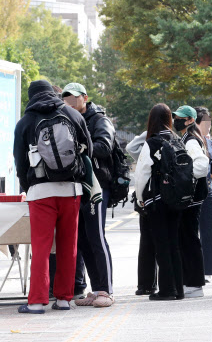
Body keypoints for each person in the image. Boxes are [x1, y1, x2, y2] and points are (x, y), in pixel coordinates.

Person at [14, 80, 92, 314]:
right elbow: (87, 147)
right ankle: (64, 299)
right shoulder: (71, 114)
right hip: (71, 191)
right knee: (69, 246)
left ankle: (37, 301)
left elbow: (20, 162)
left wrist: (29, 188)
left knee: (41, 247)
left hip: (40, 193)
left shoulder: (25, 122)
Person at [61, 83, 115, 308]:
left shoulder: (99, 119)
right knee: (82, 239)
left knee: (96, 236)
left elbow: (105, 146)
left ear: (85, 97)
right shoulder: (68, 119)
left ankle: (107, 290)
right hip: (77, 187)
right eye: (66, 99)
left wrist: (82, 145)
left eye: (74, 98)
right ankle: (96, 289)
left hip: (97, 187)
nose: (70, 102)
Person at [134, 104, 184, 300]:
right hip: (176, 198)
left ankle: (166, 290)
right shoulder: (177, 140)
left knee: (161, 245)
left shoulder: (152, 142)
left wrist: (140, 199)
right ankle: (178, 289)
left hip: (157, 199)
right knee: (174, 244)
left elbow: (142, 174)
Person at [173, 106, 210, 298]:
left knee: (189, 239)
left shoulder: (191, 140)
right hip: (194, 196)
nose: (176, 120)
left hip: (192, 197)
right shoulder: (189, 138)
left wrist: (184, 177)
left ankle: (194, 284)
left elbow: (202, 165)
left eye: (180, 117)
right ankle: (192, 282)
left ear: (190, 120)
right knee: (188, 238)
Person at [126, 131, 156, 296]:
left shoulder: (147, 146)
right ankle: (168, 283)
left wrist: (147, 132)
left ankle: (146, 285)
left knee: (146, 242)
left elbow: (131, 147)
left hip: (147, 198)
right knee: (165, 243)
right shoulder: (173, 140)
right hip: (166, 198)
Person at [193, 106, 212, 281]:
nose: (208, 126)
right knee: (192, 230)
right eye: (205, 122)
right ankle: (195, 266)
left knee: (209, 231)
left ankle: (208, 269)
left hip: (209, 188)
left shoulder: (210, 143)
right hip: (193, 189)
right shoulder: (189, 140)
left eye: (209, 122)